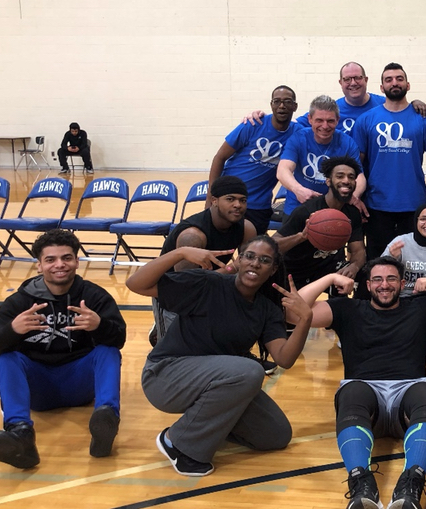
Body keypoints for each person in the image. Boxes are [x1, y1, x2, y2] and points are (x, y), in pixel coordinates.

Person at [127, 237, 313, 477]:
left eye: (265, 260)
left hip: (218, 382)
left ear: (273, 269)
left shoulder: (267, 309)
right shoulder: (208, 284)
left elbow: (284, 359)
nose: (255, 264)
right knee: (251, 371)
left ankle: (211, 425)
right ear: (239, 260)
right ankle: (178, 442)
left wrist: (305, 320)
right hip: (165, 376)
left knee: (276, 434)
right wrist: (180, 253)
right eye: (250, 256)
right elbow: (136, 284)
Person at [298, 256, 426, 509]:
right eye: (377, 280)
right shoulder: (348, 310)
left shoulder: (423, 307)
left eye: (391, 279)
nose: (385, 285)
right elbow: (295, 314)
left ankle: (411, 483)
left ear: (402, 283)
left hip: (410, 398)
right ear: (368, 286)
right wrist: (329, 278)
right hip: (366, 402)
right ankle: (361, 484)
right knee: (352, 391)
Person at [0, 229, 126, 468]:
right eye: (50, 259)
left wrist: (99, 326)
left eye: (67, 258)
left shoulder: (94, 296)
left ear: (77, 261)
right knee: (6, 357)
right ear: (38, 266)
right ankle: (20, 434)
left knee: (108, 351)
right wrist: (12, 330)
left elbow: (119, 338)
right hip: (36, 387)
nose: (60, 264)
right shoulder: (19, 301)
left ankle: (107, 418)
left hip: (79, 383)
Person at [351, 62, 426, 259]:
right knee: (378, 262)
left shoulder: (424, 118)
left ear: (408, 85)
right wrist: (357, 196)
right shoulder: (367, 120)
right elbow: (356, 164)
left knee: (412, 263)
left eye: (399, 79)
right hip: (376, 206)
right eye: (389, 80)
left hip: (414, 205)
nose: (394, 83)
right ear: (381, 87)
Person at [149, 175, 256, 345]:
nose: (238, 205)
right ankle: (162, 328)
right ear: (214, 200)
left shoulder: (246, 228)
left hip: (209, 283)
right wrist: (233, 268)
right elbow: (187, 287)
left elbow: (249, 269)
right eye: (230, 199)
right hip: (174, 293)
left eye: (242, 200)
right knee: (177, 349)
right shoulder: (192, 236)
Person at [208, 85, 304, 234]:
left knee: (253, 253)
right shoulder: (253, 124)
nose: (282, 106)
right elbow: (219, 157)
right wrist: (212, 196)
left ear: (295, 106)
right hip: (228, 200)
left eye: (287, 102)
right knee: (218, 251)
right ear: (271, 105)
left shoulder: (298, 133)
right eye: (277, 101)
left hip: (259, 206)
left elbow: (322, 124)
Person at [273, 156, 366, 288]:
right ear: (328, 181)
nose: (346, 180)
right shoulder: (306, 211)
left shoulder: (352, 213)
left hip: (329, 270)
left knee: (365, 273)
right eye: (340, 176)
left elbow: (358, 251)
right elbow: (271, 245)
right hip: (296, 270)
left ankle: (344, 306)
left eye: (351, 177)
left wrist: (354, 267)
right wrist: (301, 237)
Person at [277, 94, 367, 218]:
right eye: (319, 120)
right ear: (310, 119)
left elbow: (359, 177)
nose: (325, 126)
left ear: (337, 120)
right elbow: (283, 170)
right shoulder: (298, 138)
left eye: (330, 121)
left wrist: (353, 197)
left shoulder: (347, 143)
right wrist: (299, 190)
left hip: (334, 210)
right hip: (298, 207)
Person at [293, 62, 426, 134]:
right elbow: (294, 125)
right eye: (347, 79)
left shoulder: (384, 105)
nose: (353, 83)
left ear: (366, 80)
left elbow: (401, 107)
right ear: (340, 83)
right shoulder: (331, 109)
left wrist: (414, 103)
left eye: (357, 78)